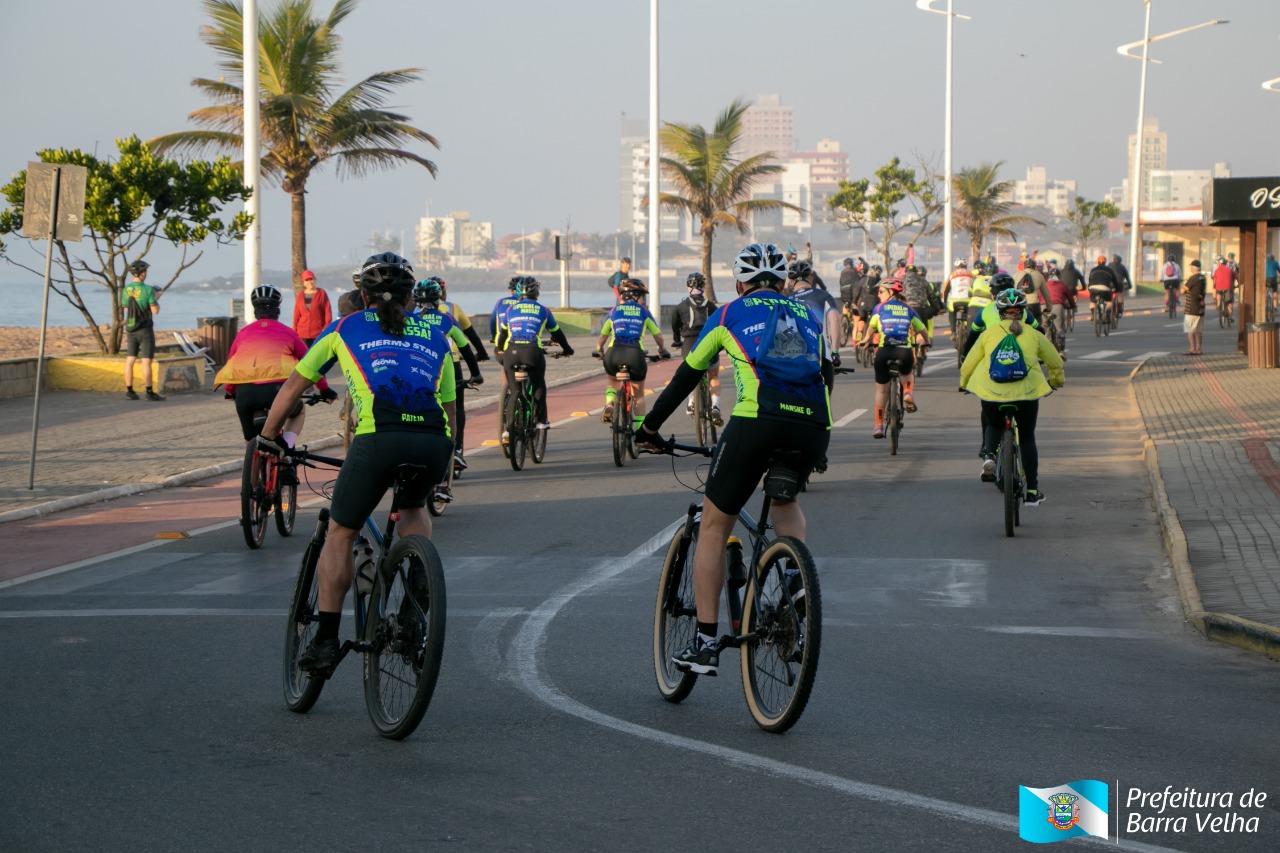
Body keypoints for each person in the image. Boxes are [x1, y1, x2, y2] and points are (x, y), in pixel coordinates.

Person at [635, 242, 831, 676]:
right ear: (782, 282)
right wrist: (817, 441)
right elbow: (826, 373)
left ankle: (705, 641)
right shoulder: (810, 316)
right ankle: (795, 579)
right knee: (784, 502)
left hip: (755, 422)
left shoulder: (727, 314)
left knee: (714, 525)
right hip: (814, 426)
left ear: (739, 283)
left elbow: (688, 375)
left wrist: (649, 428)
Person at [258, 252, 458, 674]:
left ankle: (327, 641)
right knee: (415, 507)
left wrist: (269, 437)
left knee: (341, 531)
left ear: (361, 294)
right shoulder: (437, 335)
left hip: (377, 439)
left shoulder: (344, 327)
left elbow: (295, 385)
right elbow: (451, 409)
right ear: (409, 298)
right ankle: (418, 592)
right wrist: (448, 456)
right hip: (433, 443)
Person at [216, 284, 337, 478]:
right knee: (298, 411)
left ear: (255, 311)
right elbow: (311, 363)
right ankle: (287, 451)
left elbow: (233, 365)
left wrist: (230, 391)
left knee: (251, 444)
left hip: (246, 395)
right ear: (278, 311)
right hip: (278, 391)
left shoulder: (243, 334)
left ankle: (251, 494)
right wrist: (324, 390)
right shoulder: (289, 333)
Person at [960, 288, 1063, 506]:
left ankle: (989, 455)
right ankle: (1033, 491)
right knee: (1026, 438)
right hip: (1026, 396)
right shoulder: (1034, 334)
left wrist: (964, 384)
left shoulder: (988, 334)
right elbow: (1055, 362)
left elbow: (968, 362)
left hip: (993, 394)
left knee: (994, 425)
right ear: (1023, 312)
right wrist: (1056, 382)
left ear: (999, 312)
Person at [413, 277, 486, 482]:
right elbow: (466, 347)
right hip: (447, 365)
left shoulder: (409, 318)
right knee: (453, 409)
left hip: (416, 368)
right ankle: (453, 451)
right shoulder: (448, 318)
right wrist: (476, 374)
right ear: (439, 299)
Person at [494, 276, 575, 438]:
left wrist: (498, 350)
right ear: (536, 292)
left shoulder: (510, 310)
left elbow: (502, 335)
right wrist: (567, 349)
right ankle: (541, 420)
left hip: (511, 353)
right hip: (532, 352)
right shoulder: (543, 310)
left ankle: (509, 429)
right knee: (538, 383)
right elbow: (557, 333)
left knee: (514, 389)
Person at [594, 279, 669, 426]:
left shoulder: (613, 311)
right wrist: (662, 350)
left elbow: (603, 336)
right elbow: (658, 336)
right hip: (635, 355)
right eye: (642, 296)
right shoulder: (644, 312)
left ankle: (610, 404)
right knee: (638, 394)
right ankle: (640, 434)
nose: (643, 300)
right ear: (636, 296)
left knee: (612, 381)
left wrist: (599, 350)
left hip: (613, 354)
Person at [859, 279, 930, 435]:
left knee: (881, 391)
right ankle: (907, 393)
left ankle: (878, 426)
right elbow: (922, 329)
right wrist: (928, 341)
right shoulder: (908, 309)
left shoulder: (879, 308)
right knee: (907, 371)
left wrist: (866, 339)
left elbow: (871, 327)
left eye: (881, 291)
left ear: (891, 292)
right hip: (903, 352)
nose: (879, 295)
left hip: (884, 352)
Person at [672, 272, 721, 424]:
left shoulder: (681, 306)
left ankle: (691, 402)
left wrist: (676, 340)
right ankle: (715, 406)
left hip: (689, 345)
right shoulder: (711, 306)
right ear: (703, 287)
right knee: (713, 375)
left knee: (689, 375)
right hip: (709, 343)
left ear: (688, 287)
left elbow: (675, 325)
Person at [121, 259, 164, 401]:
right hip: (145, 328)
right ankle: (149, 391)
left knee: (130, 359)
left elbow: (126, 308)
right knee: (146, 362)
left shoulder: (126, 289)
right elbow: (155, 310)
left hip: (131, 328)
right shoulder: (148, 290)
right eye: (145, 271)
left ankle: (129, 390)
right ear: (141, 273)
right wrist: (157, 298)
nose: (146, 273)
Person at [790, 260, 844, 364]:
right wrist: (835, 352)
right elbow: (835, 320)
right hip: (822, 355)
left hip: (794, 356)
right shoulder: (824, 296)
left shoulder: (787, 300)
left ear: (791, 282)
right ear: (810, 278)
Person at [291, 269, 332, 346]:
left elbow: (327, 312)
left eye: (311, 279)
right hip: (302, 334)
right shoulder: (300, 296)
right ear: (303, 282)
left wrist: (326, 328)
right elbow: (296, 315)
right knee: (303, 356)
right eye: (307, 280)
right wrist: (294, 331)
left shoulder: (322, 293)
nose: (309, 282)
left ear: (315, 279)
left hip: (318, 333)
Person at [1046, 264, 1075, 352]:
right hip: (1057, 306)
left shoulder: (1045, 284)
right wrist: (1072, 306)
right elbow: (1070, 297)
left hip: (1044, 306)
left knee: (1045, 328)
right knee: (1059, 328)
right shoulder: (1061, 285)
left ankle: (1043, 347)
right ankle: (1061, 349)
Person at [941, 259, 974, 336]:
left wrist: (944, 302)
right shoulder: (971, 275)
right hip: (968, 301)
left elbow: (945, 290)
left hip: (954, 301)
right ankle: (968, 330)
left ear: (956, 267)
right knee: (969, 314)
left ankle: (953, 332)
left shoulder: (952, 275)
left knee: (952, 313)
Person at [1182, 260, 1206, 355]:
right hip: (1201, 307)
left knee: (1190, 329)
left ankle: (1192, 348)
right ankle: (1199, 348)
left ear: (1193, 268)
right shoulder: (1203, 278)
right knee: (1199, 329)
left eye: (1190, 267)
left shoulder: (1193, 278)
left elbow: (1183, 290)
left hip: (1192, 307)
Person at [1087, 257, 1119, 324]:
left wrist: (1089, 288)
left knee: (1092, 302)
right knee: (1108, 302)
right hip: (1105, 289)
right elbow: (1115, 281)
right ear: (1105, 262)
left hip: (1093, 288)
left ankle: (1093, 315)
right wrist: (1117, 289)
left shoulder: (1093, 270)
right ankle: (1107, 316)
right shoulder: (1109, 270)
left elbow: (1089, 280)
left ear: (1097, 262)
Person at [1212, 255, 1236, 323]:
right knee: (1230, 302)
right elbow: (1236, 277)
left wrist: (1214, 286)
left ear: (1219, 263)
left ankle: (1219, 303)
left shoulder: (1216, 271)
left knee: (1218, 292)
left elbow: (1214, 281)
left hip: (1219, 287)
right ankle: (1230, 317)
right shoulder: (1230, 270)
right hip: (1228, 287)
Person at [1108, 254, 1131, 318]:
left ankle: (1108, 308)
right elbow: (1127, 277)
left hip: (1110, 284)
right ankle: (1120, 309)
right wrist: (1129, 285)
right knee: (1120, 295)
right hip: (1119, 284)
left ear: (1114, 259)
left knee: (1108, 296)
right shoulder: (1122, 267)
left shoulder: (1109, 265)